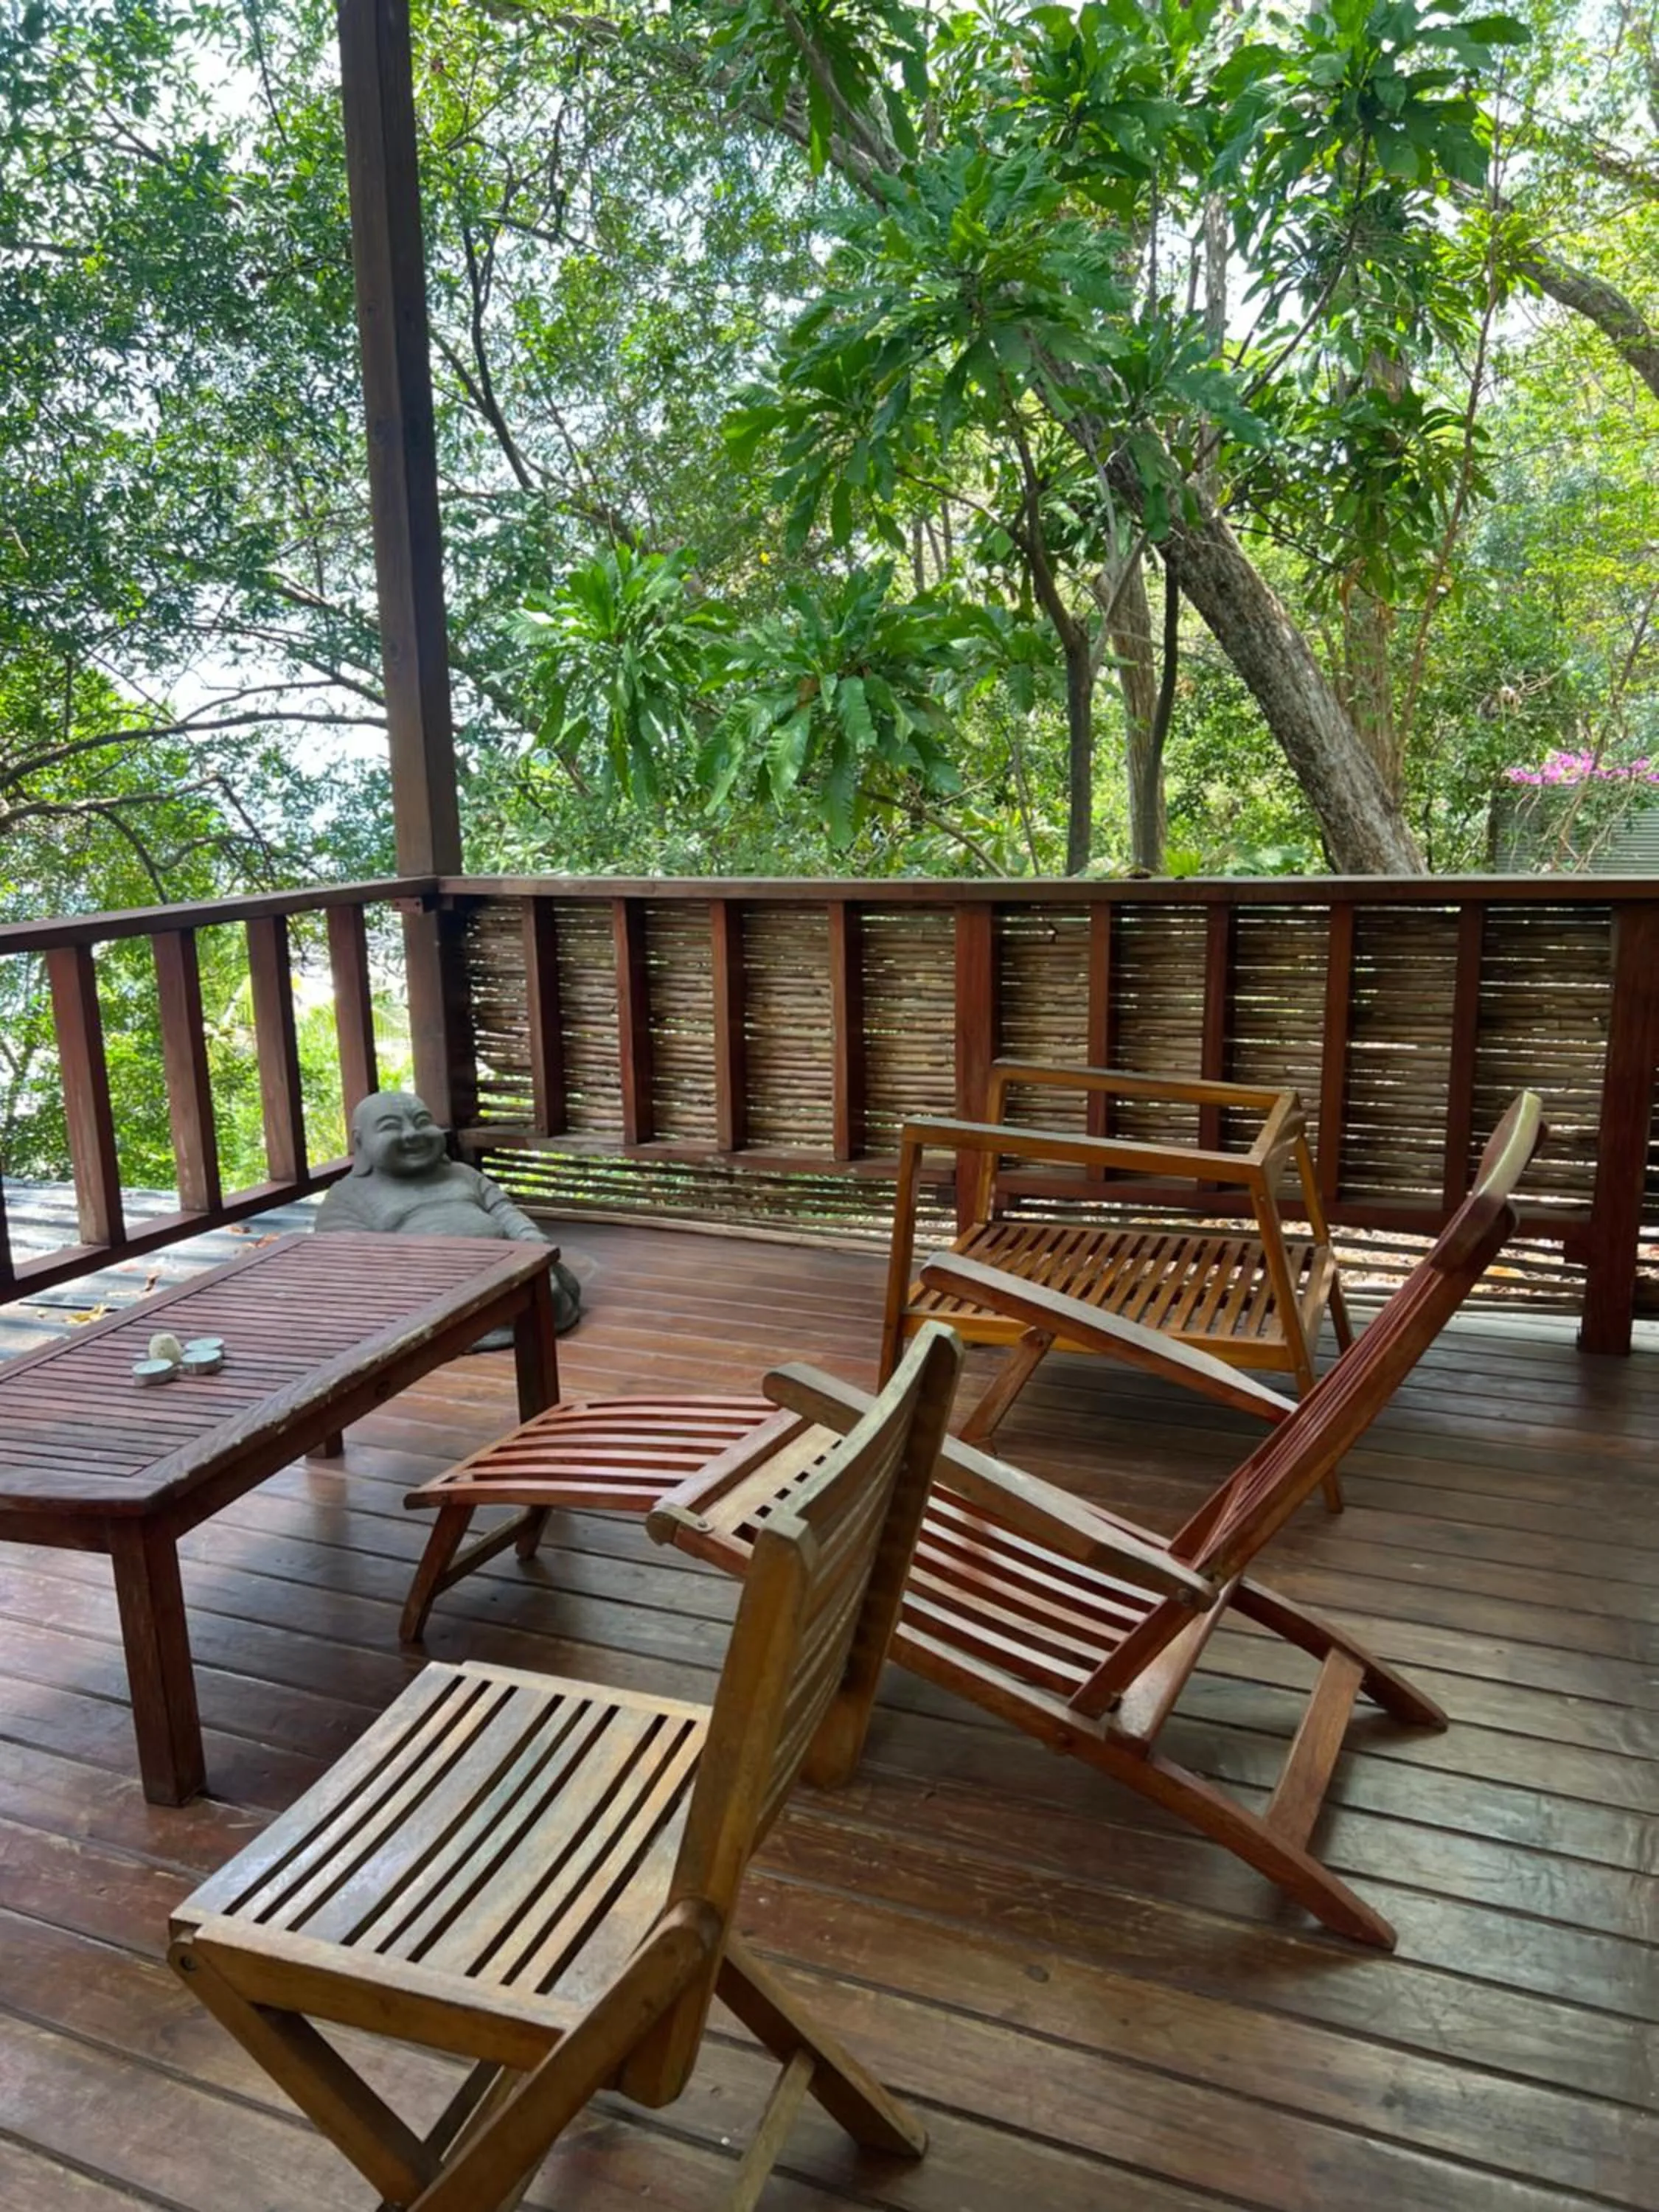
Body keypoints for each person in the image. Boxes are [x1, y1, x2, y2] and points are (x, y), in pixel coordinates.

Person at [316, 1090, 582, 1334]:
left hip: (505, 1266)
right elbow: (349, 1262)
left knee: (550, 1284)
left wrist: (531, 1241)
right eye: (391, 1128)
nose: (412, 1134)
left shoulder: (462, 1174)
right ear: (361, 1141)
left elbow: (503, 1210)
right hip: (425, 1287)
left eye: (422, 1122)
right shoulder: (348, 1196)